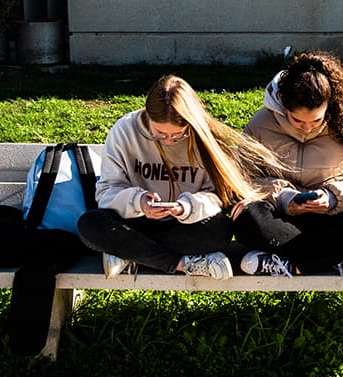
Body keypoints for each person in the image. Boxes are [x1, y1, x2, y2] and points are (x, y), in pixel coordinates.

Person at [77, 74, 281, 280]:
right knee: (90, 223)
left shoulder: (205, 137)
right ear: (147, 115)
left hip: (182, 224)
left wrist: (186, 207)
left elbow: (217, 197)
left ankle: (131, 252)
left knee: (220, 231)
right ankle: (182, 263)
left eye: (177, 135)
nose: (167, 141)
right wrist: (138, 201)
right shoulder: (125, 130)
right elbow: (106, 193)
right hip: (134, 221)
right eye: (159, 133)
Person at [231, 51, 343, 277]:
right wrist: (284, 198)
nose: (307, 128)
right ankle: (335, 260)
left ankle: (292, 263)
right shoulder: (261, 124)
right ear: (283, 105)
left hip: (334, 220)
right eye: (297, 120)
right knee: (244, 215)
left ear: (329, 106)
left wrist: (333, 197)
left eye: (317, 120)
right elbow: (241, 180)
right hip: (282, 222)